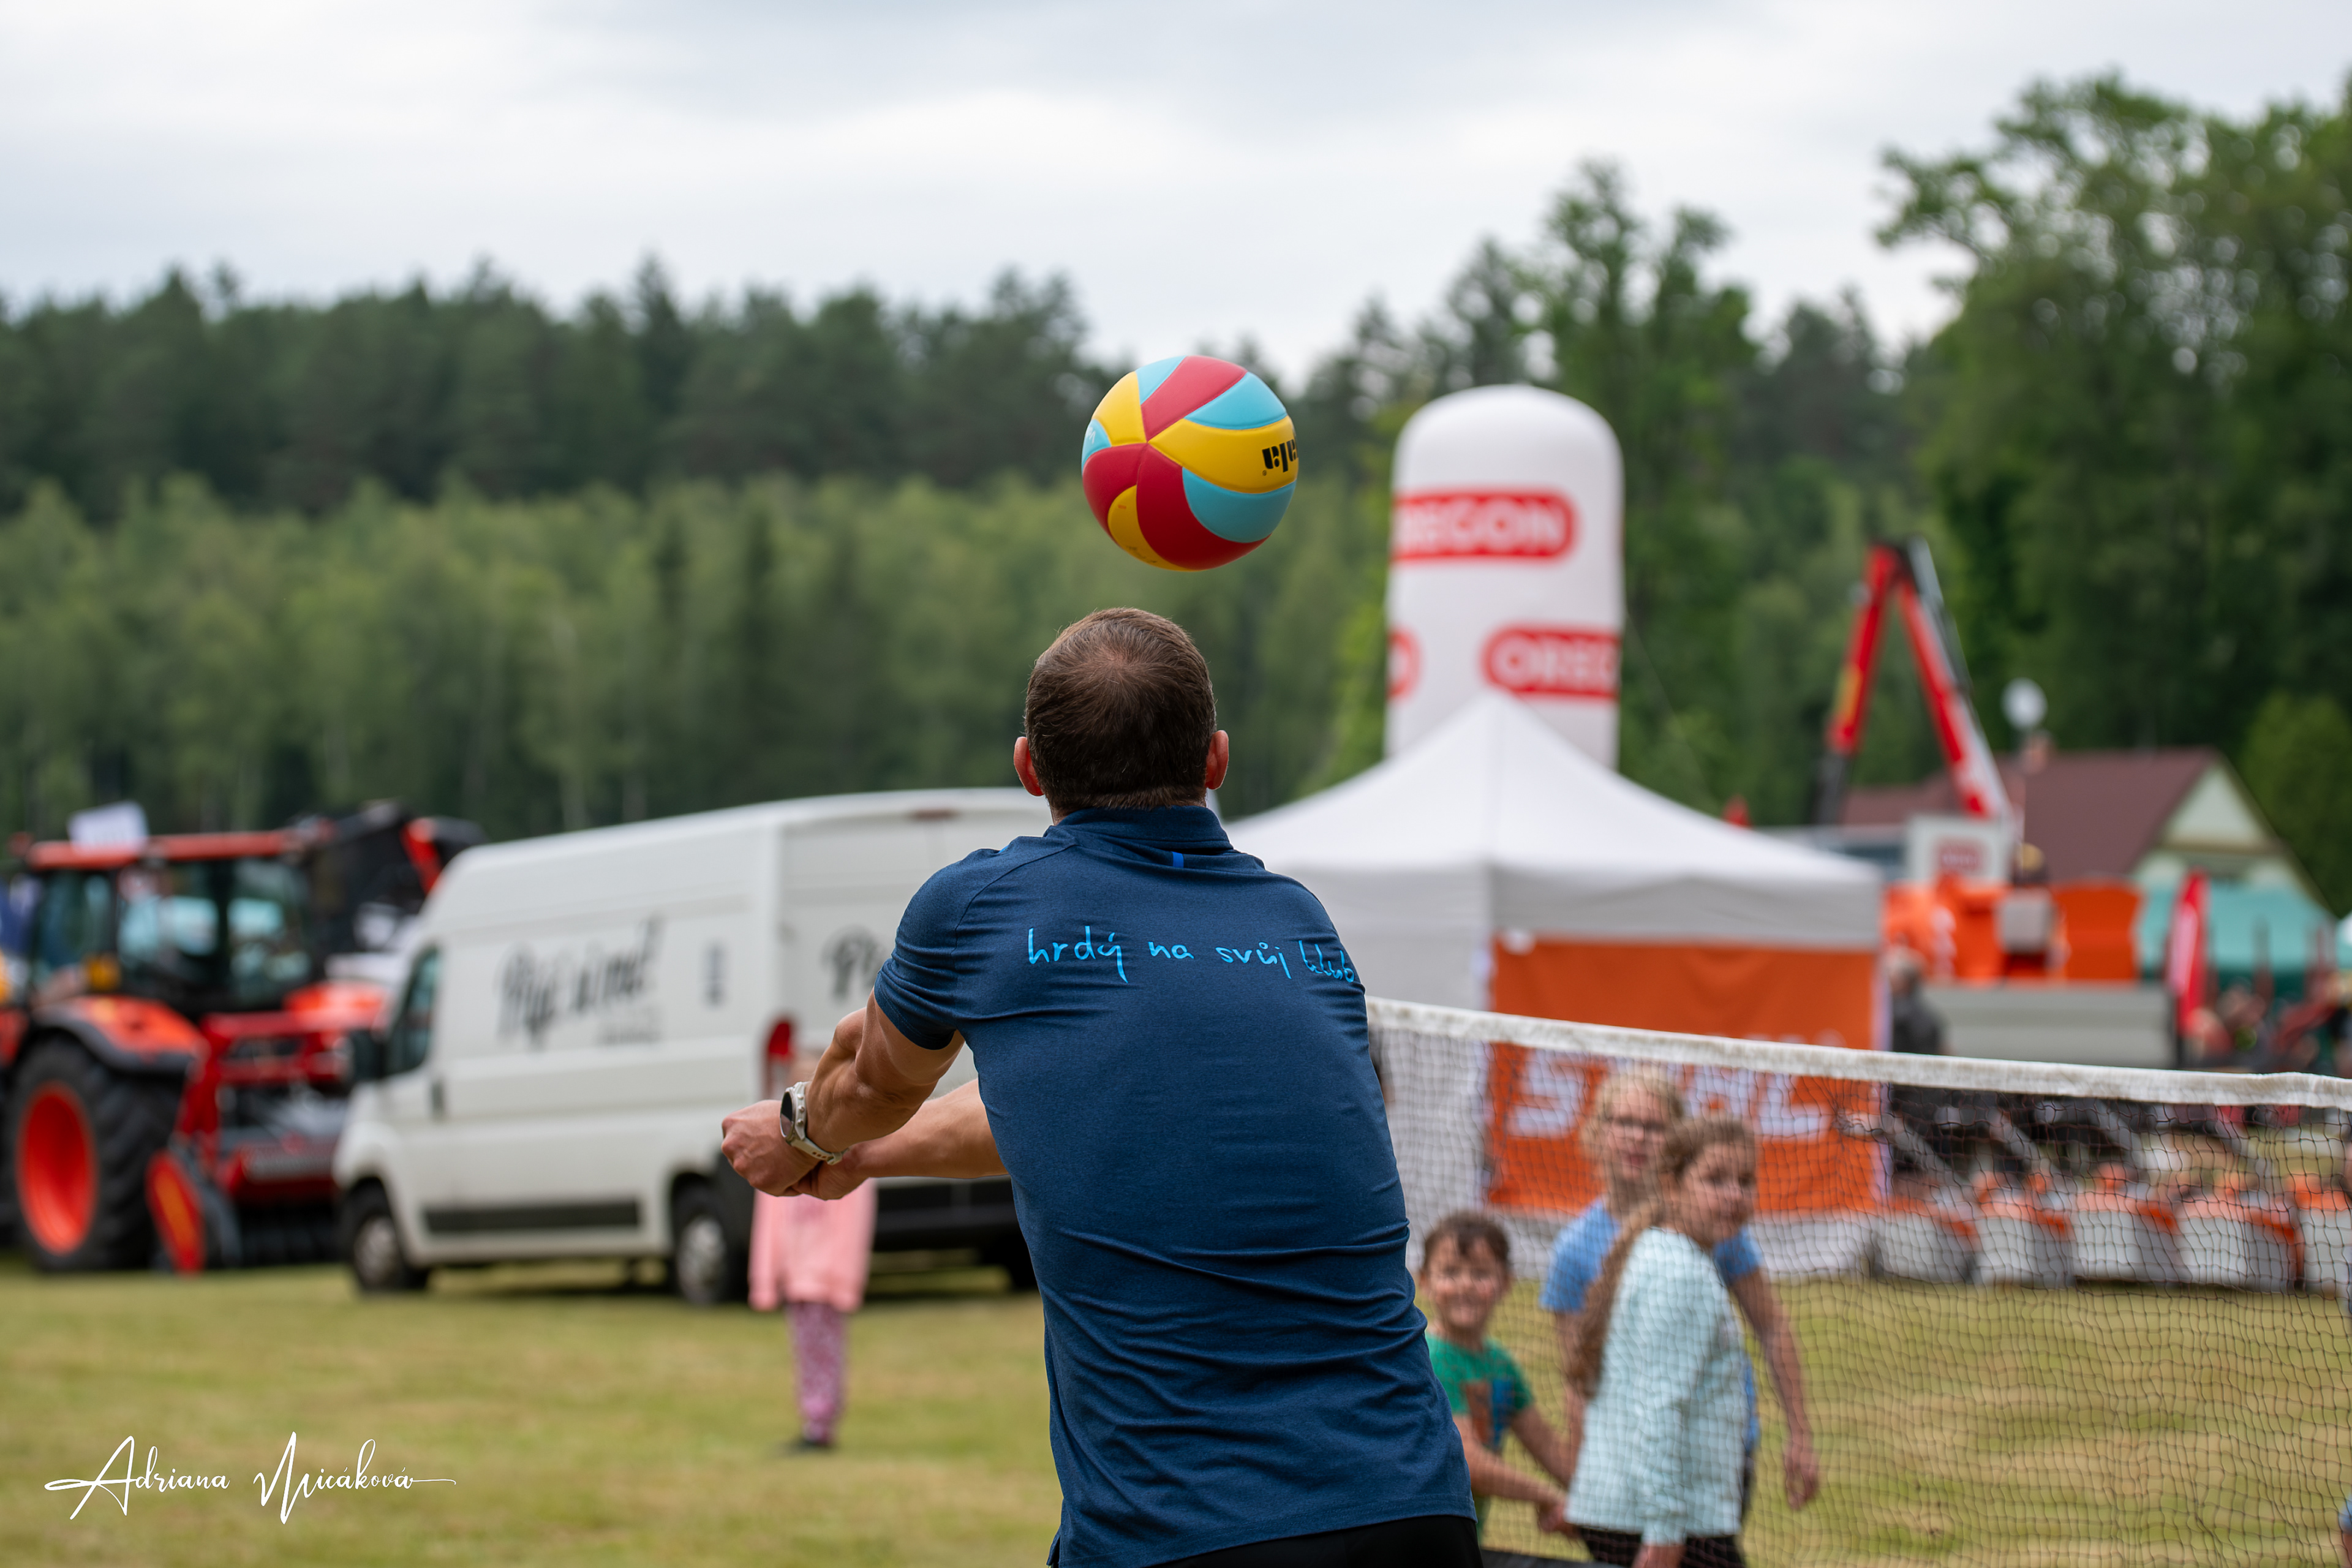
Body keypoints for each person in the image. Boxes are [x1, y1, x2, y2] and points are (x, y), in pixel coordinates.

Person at [720, 608, 1475, 1568]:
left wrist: (802, 1131)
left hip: (1179, 1531)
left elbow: (871, 1078)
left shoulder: (982, 907)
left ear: (1029, 768)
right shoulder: (1300, 926)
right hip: (1413, 1510)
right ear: (1217, 760)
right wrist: (864, 1159)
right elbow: (1078, 1103)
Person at [1539, 1072, 1819, 1518]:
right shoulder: (1575, 1251)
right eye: (1625, 1122)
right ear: (1598, 1132)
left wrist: (1799, 1433)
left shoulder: (1717, 1226)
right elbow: (1579, 1376)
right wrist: (1583, 1474)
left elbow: (1771, 1326)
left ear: (1676, 1141)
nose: (1638, 1138)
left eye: (1654, 1127)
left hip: (1716, 1446)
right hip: (1629, 1454)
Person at [1565, 1118, 1762, 1568]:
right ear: (1672, 1185)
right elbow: (1659, 1406)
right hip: (1661, 1522)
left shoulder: (1669, 1255)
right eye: (1715, 1179)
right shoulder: (1680, 1274)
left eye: (1746, 1181)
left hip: (1646, 1514)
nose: (1734, 1195)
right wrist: (1665, 1529)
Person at [1417, 1212, 1577, 1549]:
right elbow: (1468, 1462)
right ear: (1425, 1281)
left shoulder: (1500, 1364)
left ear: (1506, 1282)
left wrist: (1595, 1501)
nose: (1465, 1285)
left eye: (1480, 1274)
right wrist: (1547, 1496)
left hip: (1466, 1540)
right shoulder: (1432, 1358)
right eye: (1450, 1273)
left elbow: (1549, 1448)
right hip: (1421, 1541)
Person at [748, 1174, 878, 1451]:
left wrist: (844, 1280)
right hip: (795, 1275)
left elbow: (854, 1221)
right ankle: (814, 1423)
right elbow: (768, 1219)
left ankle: (820, 1425)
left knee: (824, 1353)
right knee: (806, 1351)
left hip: (826, 1278)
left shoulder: (847, 1159)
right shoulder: (780, 1160)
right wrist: (765, 1280)